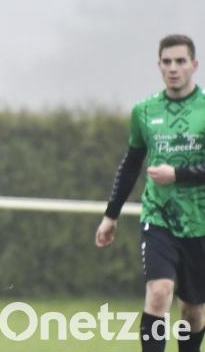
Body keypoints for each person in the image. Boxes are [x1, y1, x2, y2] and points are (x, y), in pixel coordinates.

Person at [95, 34, 205, 352]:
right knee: (159, 293)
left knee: (193, 312)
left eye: (180, 61)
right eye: (167, 62)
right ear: (159, 66)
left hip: (199, 223)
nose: (173, 68)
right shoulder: (144, 111)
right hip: (158, 217)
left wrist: (178, 174)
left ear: (193, 65)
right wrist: (110, 216)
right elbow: (131, 165)